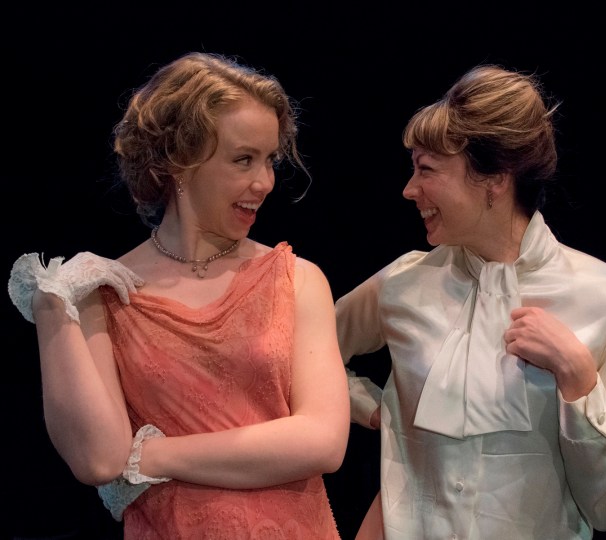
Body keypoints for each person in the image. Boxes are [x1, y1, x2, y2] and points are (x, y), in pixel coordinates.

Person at [8, 51, 350, 539]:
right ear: (179, 161)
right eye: (243, 159)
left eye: (269, 160)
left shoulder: (296, 278)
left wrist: (150, 455)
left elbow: (322, 441)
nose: (265, 182)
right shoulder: (106, 292)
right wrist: (51, 302)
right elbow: (99, 459)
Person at [335, 64, 606, 540]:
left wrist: (578, 377)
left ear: (495, 179)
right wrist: (378, 411)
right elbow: (299, 354)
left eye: (427, 169)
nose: (409, 189)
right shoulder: (403, 284)